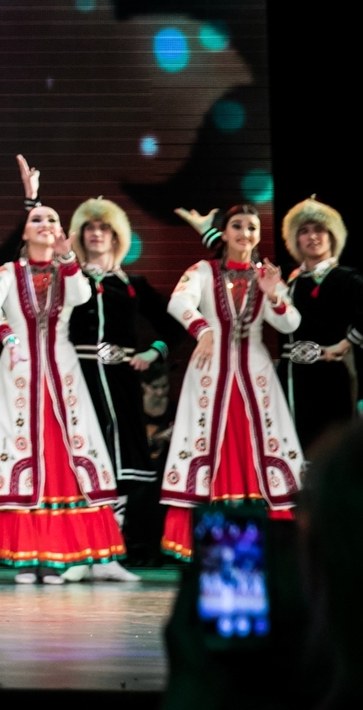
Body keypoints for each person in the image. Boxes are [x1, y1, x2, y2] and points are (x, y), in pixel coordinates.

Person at [0, 205, 132, 583]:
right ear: (24, 232)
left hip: (63, 373)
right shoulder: (8, 273)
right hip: (19, 371)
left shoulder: (67, 271)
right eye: (36, 220)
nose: (44, 225)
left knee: (65, 456)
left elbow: (81, 296)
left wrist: (67, 257)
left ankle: (57, 555)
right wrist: (7, 336)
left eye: (51, 220)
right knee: (23, 451)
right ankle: (25, 557)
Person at [159, 205, 304, 560]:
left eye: (252, 227)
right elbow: (178, 302)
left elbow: (290, 323)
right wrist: (203, 329)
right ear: (224, 233)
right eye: (237, 226)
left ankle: (265, 541)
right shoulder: (203, 271)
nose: (244, 233)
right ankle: (209, 539)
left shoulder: (266, 274)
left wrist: (273, 294)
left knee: (260, 446)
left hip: (255, 377)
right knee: (210, 443)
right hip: (210, 373)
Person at [65, 196, 187, 567]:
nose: (96, 234)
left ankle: (110, 556)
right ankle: (81, 553)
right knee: (82, 458)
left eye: (104, 228)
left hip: (121, 381)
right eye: (90, 227)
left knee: (118, 461)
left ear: (117, 236)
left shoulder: (133, 284)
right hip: (79, 379)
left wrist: (153, 352)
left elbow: (174, 326)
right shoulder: (69, 280)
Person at [276, 198, 360, 451]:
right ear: (296, 240)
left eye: (319, 229)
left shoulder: (345, 277)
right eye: (304, 231)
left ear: (332, 235)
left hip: (329, 377)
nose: (312, 236)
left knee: (328, 449)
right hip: (289, 378)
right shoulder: (287, 280)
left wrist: (345, 344)